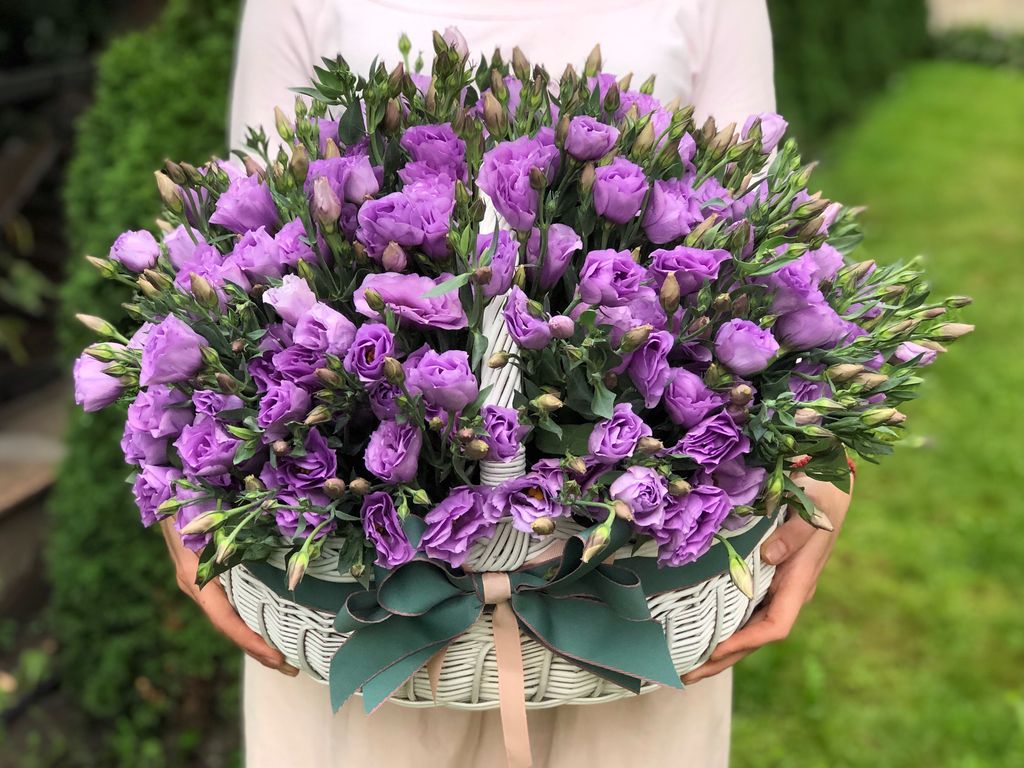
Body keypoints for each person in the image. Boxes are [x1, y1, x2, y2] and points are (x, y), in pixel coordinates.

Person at [160, 1, 855, 765]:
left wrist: (822, 470)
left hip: (638, 613)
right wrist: (181, 486)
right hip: (362, 627)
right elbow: (244, 246)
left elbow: (757, 232)